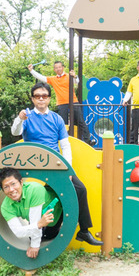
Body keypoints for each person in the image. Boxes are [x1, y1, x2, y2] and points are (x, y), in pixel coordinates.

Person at [11, 82, 103, 246]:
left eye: (44, 96)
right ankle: (46, 231)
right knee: (46, 194)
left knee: (79, 189)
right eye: (37, 96)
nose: (41, 99)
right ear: (33, 99)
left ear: (49, 99)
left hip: (54, 163)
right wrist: (19, 119)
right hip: (33, 162)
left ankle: (82, 231)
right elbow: (15, 132)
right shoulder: (27, 116)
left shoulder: (56, 118)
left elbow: (65, 146)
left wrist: (68, 169)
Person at [0, 167, 63, 259]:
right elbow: (18, 232)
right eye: (6, 187)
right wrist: (39, 224)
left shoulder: (35, 190)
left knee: (49, 235)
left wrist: (34, 246)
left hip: (56, 213)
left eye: (13, 184)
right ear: (3, 190)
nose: (11, 189)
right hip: (38, 221)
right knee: (31, 236)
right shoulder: (5, 207)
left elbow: (35, 221)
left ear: (21, 182)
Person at [28, 61, 94, 145]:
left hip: (73, 101)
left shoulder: (69, 76)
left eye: (59, 67)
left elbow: (76, 82)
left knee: (81, 121)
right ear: (54, 69)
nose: (58, 69)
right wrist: (31, 71)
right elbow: (42, 78)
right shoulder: (53, 79)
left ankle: (88, 141)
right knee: (63, 123)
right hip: (61, 103)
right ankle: (64, 142)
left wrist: (75, 76)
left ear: (63, 67)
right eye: (56, 68)